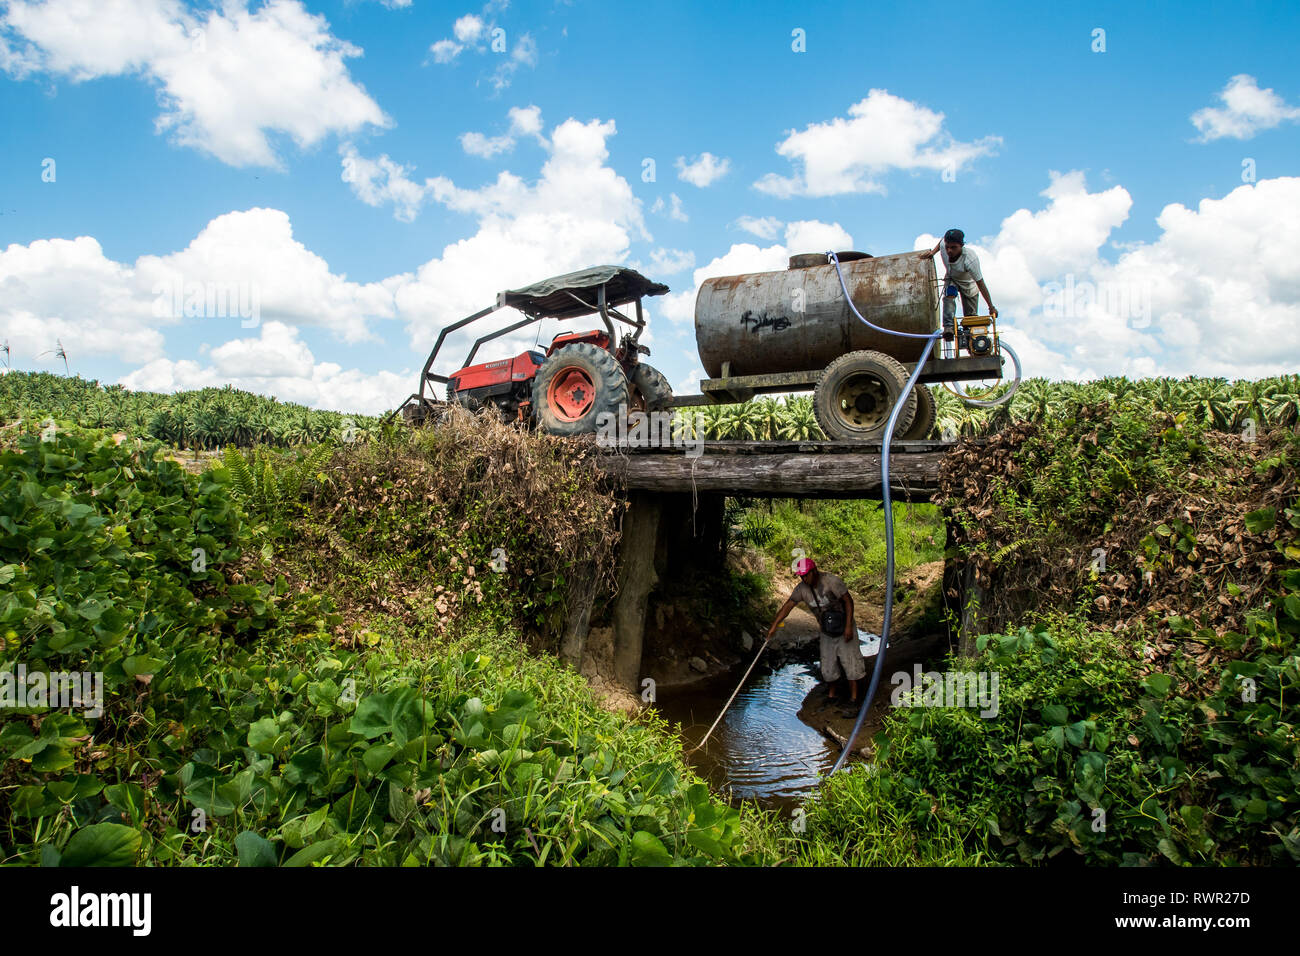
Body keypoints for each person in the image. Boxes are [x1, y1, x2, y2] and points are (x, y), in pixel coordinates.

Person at [766, 557, 865, 704]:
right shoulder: (801, 589)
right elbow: (788, 606)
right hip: (826, 630)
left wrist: (849, 626)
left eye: (806, 575)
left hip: (844, 625)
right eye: (801, 576)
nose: (804, 578)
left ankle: (854, 699)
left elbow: (848, 601)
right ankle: (832, 696)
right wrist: (774, 626)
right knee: (827, 665)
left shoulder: (831, 582)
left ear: (814, 571)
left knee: (851, 662)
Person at [918, 229, 998, 330]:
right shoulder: (944, 244)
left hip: (969, 285)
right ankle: (949, 327)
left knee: (970, 319)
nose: (949, 251)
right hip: (952, 278)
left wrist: (991, 307)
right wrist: (933, 252)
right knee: (949, 294)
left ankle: (970, 339)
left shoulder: (970, 259)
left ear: (961, 245)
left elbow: (981, 284)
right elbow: (942, 241)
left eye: (953, 248)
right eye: (947, 247)